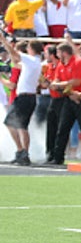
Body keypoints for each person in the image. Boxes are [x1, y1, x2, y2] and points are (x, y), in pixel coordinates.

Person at [0, 35, 42, 165]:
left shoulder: (31, 59)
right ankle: (22, 152)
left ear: (32, 49)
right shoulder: (34, 62)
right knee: (20, 126)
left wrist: (4, 41)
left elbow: (14, 54)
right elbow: (16, 63)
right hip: (28, 97)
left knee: (15, 125)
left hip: (24, 97)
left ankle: (21, 151)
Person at [46, 43, 81, 165]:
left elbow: (77, 81)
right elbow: (57, 78)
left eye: (59, 52)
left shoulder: (77, 62)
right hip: (68, 98)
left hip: (80, 98)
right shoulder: (61, 64)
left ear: (64, 53)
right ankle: (58, 156)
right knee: (62, 128)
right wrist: (55, 83)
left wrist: (59, 85)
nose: (57, 55)